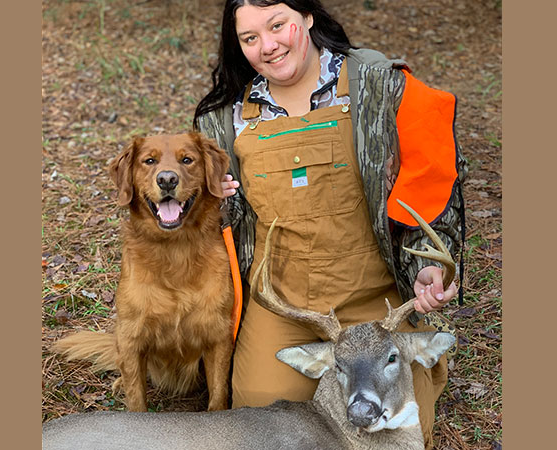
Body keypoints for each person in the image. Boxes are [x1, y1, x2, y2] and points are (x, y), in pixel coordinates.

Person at [193, 1, 466, 448]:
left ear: (308, 17)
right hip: (282, 307)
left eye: (278, 25)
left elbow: (432, 179)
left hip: (374, 304)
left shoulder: (377, 87)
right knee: (260, 421)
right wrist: (216, 202)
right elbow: (210, 223)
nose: (269, 46)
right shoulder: (224, 119)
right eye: (250, 38)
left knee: (396, 423)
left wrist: (426, 266)